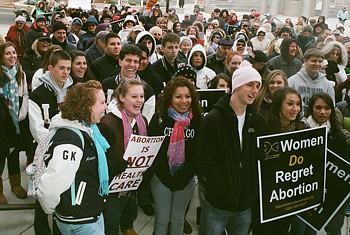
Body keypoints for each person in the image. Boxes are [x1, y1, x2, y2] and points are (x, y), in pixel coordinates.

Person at [198, 66, 267, 235]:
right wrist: (220, 186)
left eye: (257, 86)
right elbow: (204, 159)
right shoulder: (213, 119)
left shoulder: (258, 121)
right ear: (237, 86)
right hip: (217, 203)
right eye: (250, 84)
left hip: (245, 204)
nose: (254, 90)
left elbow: (261, 158)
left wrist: (251, 189)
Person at [37, 80, 109, 235]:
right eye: (102, 103)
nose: (106, 107)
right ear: (87, 106)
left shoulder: (88, 129)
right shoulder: (71, 140)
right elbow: (51, 186)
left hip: (90, 213)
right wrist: (51, 208)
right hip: (79, 221)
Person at [149, 76, 201, 235]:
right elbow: (153, 150)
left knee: (178, 219)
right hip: (162, 177)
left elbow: (198, 153)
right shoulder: (160, 118)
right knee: (162, 219)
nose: (184, 100)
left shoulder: (198, 120)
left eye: (187, 96)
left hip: (186, 178)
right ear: (170, 97)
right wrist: (163, 175)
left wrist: (187, 174)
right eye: (178, 96)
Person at [252, 87, 304, 235]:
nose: (295, 109)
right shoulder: (263, 126)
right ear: (278, 105)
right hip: (263, 197)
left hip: (287, 197)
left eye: (298, 104)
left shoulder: (301, 130)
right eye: (290, 104)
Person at [98, 78, 147, 235]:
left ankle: (127, 225)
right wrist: (114, 165)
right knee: (111, 224)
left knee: (129, 208)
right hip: (111, 185)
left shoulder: (142, 120)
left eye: (141, 96)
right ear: (121, 97)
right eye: (134, 96)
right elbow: (98, 158)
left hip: (131, 181)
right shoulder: (107, 123)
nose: (139, 101)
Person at [0, 42, 28, 201]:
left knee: (14, 153)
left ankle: (15, 184)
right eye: (7, 53)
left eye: (14, 52)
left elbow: (24, 95)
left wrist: (20, 117)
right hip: (1, 120)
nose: (12, 56)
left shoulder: (20, 73)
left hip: (16, 119)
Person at [288, 48, 335, 115]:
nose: (317, 64)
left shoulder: (327, 85)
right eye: (314, 61)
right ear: (305, 61)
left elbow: (331, 107)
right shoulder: (292, 81)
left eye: (320, 61)